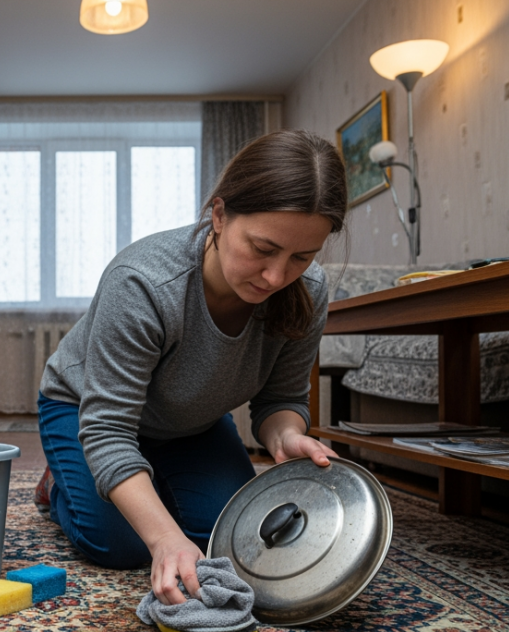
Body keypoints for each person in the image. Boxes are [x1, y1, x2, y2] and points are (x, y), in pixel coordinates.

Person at [35, 130, 347, 606]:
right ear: (219, 215)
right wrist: (162, 538)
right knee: (121, 545)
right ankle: (60, 485)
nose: (276, 277)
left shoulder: (312, 291)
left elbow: (281, 401)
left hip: (190, 420)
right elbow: (108, 429)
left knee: (228, 534)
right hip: (87, 412)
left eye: (301, 257)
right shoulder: (143, 282)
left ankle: (141, 479)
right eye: (263, 248)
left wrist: (285, 436)